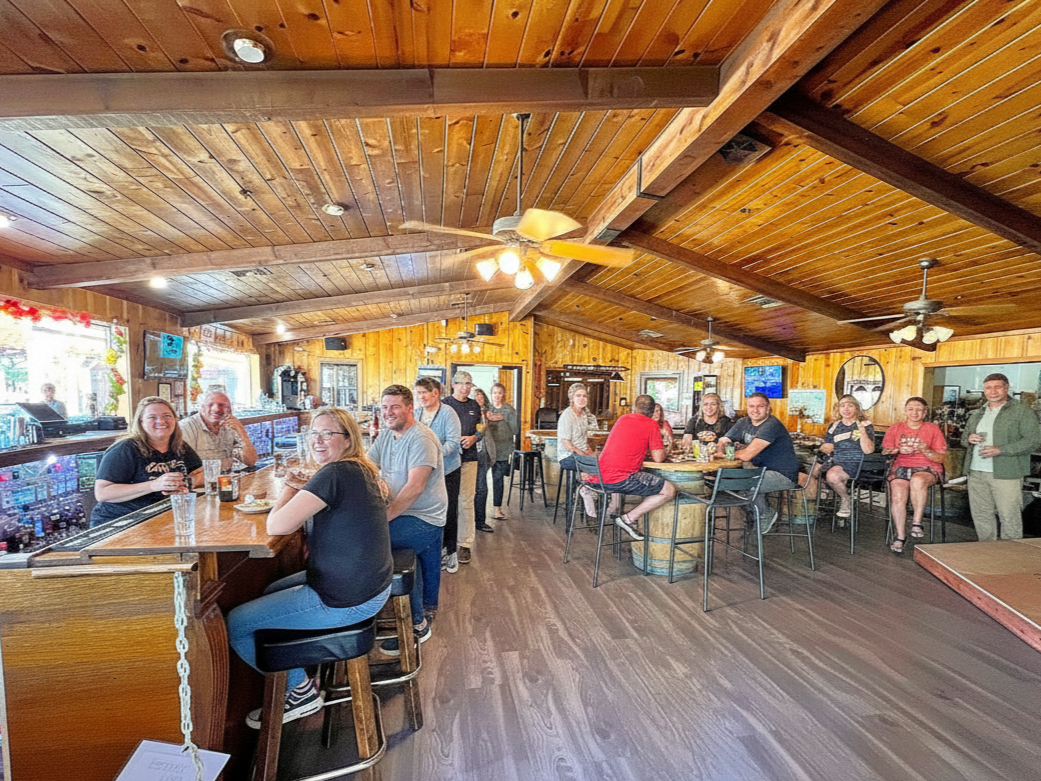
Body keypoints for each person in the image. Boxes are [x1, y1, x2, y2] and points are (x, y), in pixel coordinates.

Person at [226, 408, 392, 728]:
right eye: (313, 433)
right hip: (370, 586)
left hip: (346, 599)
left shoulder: (333, 474)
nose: (318, 440)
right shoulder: (358, 468)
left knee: (236, 623)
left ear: (347, 441)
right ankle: (301, 666)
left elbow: (277, 524)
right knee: (271, 590)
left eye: (328, 434)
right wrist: (307, 485)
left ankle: (298, 691)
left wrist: (290, 485)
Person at [368, 384, 447, 652]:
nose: (388, 412)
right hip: (404, 512)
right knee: (382, 544)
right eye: (385, 407)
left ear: (409, 408)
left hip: (425, 517)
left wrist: (382, 519)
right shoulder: (387, 436)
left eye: (395, 407)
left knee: (376, 545)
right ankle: (394, 614)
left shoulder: (421, 438)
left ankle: (416, 625)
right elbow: (367, 464)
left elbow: (415, 487)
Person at [91, 396, 203, 527]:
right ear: (141, 422)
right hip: (120, 522)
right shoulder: (125, 449)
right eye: (152, 417)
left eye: (167, 415)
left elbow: (199, 473)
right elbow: (102, 493)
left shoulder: (179, 446)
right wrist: (153, 485)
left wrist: (185, 483)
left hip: (161, 517)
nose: (161, 421)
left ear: (175, 420)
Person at [578, 394, 675, 540]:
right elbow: (658, 458)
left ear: (634, 408)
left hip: (598, 476)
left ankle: (616, 513)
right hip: (620, 479)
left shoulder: (622, 419)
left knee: (644, 480)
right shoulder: (651, 424)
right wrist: (669, 448)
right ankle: (628, 519)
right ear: (652, 410)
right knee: (669, 490)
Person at [960, 373, 1041, 541]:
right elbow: (964, 438)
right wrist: (969, 439)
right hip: (976, 472)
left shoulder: (1022, 411)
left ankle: (1010, 557)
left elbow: (1034, 441)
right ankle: (988, 552)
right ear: (984, 390)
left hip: (1007, 472)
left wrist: (1001, 450)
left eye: (997, 387)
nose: (993, 391)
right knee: (981, 515)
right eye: (988, 387)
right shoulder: (978, 413)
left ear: (1006, 388)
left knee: (1009, 516)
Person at [716, 392, 800, 533]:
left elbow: (747, 455)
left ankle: (764, 514)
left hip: (783, 475)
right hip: (760, 472)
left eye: (760, 406)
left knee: (744, 486)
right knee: (736, 485)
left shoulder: (771, 425)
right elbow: (724, 440)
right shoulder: (744, 422)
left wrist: (725, 454)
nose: (755, 410)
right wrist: (722, 446)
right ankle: (757, 516)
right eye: (751, 406)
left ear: (768, 408)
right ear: (747, 408)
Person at [881, 397, 946, 553]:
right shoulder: (896, 428)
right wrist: (898, 450)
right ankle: (900, 537)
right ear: (905, 411)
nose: (914, 412)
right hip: (901, 468)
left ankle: (917, 522)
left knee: (917, 480)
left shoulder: (933, 429)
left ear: (924, 412)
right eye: (910, 408)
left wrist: (925, 449)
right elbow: (885, 451)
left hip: (928, 468)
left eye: (918, 409)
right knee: (897, 493)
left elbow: (941, 458)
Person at [413, 377, 462, 572]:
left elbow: (453, 442)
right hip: (423, 470)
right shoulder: (416, 413)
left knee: (448, 511)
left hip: (448, 470)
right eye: (418, 393)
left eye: (424, 392)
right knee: (426, 511)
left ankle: (451, 553)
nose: (421, 397)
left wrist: (432, 455)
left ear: (436, 393)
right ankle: (430, 550)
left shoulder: (448, 413)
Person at [803, 394, 875, 525]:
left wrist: (863, 432)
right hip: (834, 460)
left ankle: (845, 499)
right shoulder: (834, 426)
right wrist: (825, 447)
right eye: (842, 405)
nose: (846, 408)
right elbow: (827, 447)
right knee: (809, 474)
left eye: (850, 405)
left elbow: (868, 450)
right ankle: (811, 509)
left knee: (833, 476)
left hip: (854, 462)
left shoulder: (864, 425)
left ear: (857, 408)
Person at [442, 371, 487, 562]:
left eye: (469, 383)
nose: (466, 387)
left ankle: (465, 544)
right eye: (462, 383)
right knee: (447, 501)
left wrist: (474, 438)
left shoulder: (474, 405)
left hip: (469, 457)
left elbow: (481, 428)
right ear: (454, 385)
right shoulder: (444, 405)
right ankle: (446, 543)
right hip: (447, 460)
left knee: (466, 501)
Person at [180, 389, 258, 471]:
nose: (216, 409)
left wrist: (242, 432)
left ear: (229, 410)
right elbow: (186, 471)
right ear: (202, 408)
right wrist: (225, 463)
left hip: (226, 480)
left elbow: (250, 461)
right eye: (210, 404)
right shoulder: (186, 427)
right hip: (202, 482)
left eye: (222, 405)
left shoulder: (230, 426)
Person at [486, 382, 519, 521]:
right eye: (494, 393)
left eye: (500, 393)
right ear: (491, 394)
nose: (497, 396)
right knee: (480, 481)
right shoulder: (486, 409)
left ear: (503, 394)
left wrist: (504, 418)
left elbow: (515, 430)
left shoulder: (509, 410)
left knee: (498, 479)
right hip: (487, 448)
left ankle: (497, 509)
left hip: (503, 449)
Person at [557, 382, 599, 470]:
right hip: (568, 456)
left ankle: (585, 483)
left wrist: (590, 453)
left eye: (584, 396)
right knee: (596, 467)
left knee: (603, 462)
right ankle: (582, 483)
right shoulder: (567, 415)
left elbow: (582, 439)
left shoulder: (584, 414)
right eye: (578, 396)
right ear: (572, 398)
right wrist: (584, 454)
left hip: (581, 453)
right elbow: (566, 443)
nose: (582, 398)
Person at [473, 387, 496, 531]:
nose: (479, 400)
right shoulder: (466, 412)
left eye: (481, 397)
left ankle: (480, 521)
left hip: (482, 453)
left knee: (482, 488)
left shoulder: (488, 413)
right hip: (468, 453)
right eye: (476, 397)